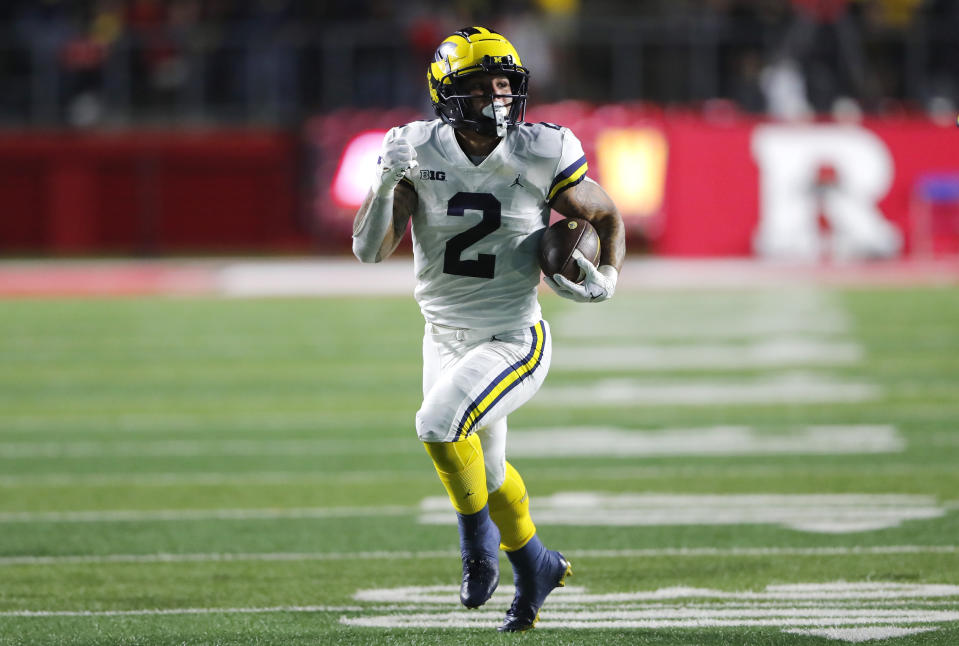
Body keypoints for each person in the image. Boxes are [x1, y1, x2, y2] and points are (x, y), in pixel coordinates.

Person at [351, 26, 625, 632]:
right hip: (441, 335)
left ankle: (477, 554)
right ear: (448, 95)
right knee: (491, 473)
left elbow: (605, 214)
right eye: (482, 87)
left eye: (506, 85)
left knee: (437, 424)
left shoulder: (542, 149)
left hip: (512, 337)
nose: (498, 98)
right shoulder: (416, 150)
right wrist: (383, 182)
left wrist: (607, 273)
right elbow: (370, 251)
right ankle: (535, 564)